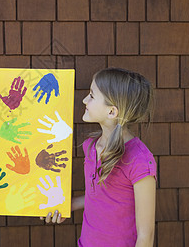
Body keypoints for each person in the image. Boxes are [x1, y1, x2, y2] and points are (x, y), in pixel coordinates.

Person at [43, 68, 156, 247]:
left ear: (112, 112)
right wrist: (65, 206)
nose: (84, 100)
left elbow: (145, 237)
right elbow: (99, 198)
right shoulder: (90, 147)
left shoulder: (140, 161)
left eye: (92, 95)